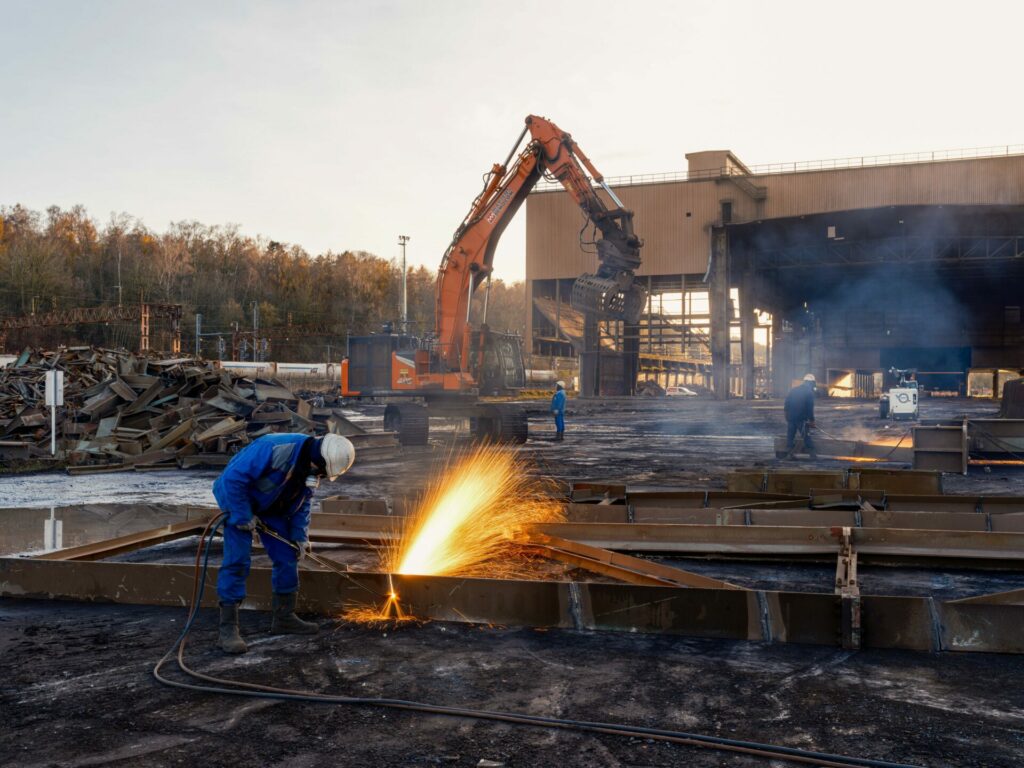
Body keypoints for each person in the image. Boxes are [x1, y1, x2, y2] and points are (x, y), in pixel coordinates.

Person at [213, 432, 355, 654]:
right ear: (317, 459)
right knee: (238, 560)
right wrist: (242, 515)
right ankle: (227, 630)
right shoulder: (274, 447)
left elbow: (303, 503)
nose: (318, 476)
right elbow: (233, 479)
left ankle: (284, 617)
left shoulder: (312, 466)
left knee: (288, 555)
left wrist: (299, 536)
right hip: (237, 499)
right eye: (319, 471)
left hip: (272, 506)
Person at [784, 373, 818, 460]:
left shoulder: (794, 390)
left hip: (791, 418)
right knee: (806, 436)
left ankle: (789, 454)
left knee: (790, 436)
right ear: (812, 383)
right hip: (801, 419)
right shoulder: (809, 393)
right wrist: (812, 420)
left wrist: (787, 415)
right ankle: (812, 455)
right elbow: (809, 408)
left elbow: (786, 403)